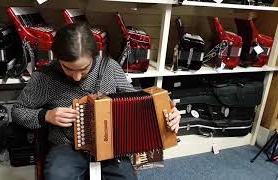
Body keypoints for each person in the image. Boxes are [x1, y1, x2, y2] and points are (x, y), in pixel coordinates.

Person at [11, 23, 181, 180]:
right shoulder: (45, 77)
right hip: (67, 146)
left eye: (83, 69)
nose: (76, 76)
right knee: (58, 176)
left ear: (94, 55)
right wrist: (46, 115)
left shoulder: (110, 67)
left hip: (112, 146)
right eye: (68, 68)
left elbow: (140, 102)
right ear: (56, 58)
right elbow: (18, 111)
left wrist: (168, 113)